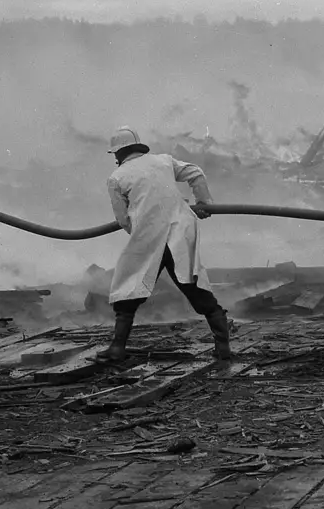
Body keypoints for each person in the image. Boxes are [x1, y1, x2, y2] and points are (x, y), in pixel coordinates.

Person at [99, 127, 231, 363]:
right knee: (195, 287)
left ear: (119, 153)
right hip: (181, 231)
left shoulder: (116, 178)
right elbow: (196, 173)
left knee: (128, 291)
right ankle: (223, 349)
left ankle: (117, 348)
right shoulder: (163, 161)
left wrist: (140, 226)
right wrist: (204, 203)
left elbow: (123, 220)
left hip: (150, 237)